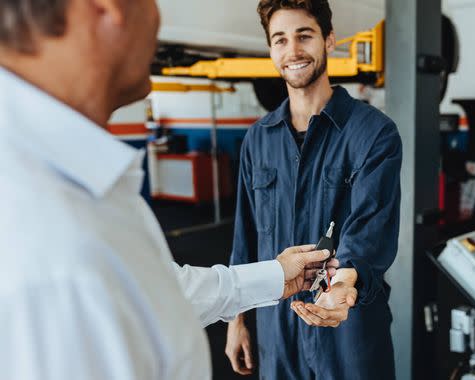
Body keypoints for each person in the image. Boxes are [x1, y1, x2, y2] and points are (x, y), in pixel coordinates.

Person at [0, 1, 342, 379]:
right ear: (108, 7)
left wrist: (275, 275)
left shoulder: (67, 184)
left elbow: (157, 293)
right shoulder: (44, 229)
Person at [226, 0, 402, 378]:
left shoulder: (373, 133)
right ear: (271, 50)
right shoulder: (258, 139)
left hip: (346, 324)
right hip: (276, 327)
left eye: (304, 36)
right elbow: (246, 237)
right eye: (280, 40)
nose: (293, 51)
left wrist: (343, 285)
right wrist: (235, 320)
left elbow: (369, 232)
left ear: (329, 41)